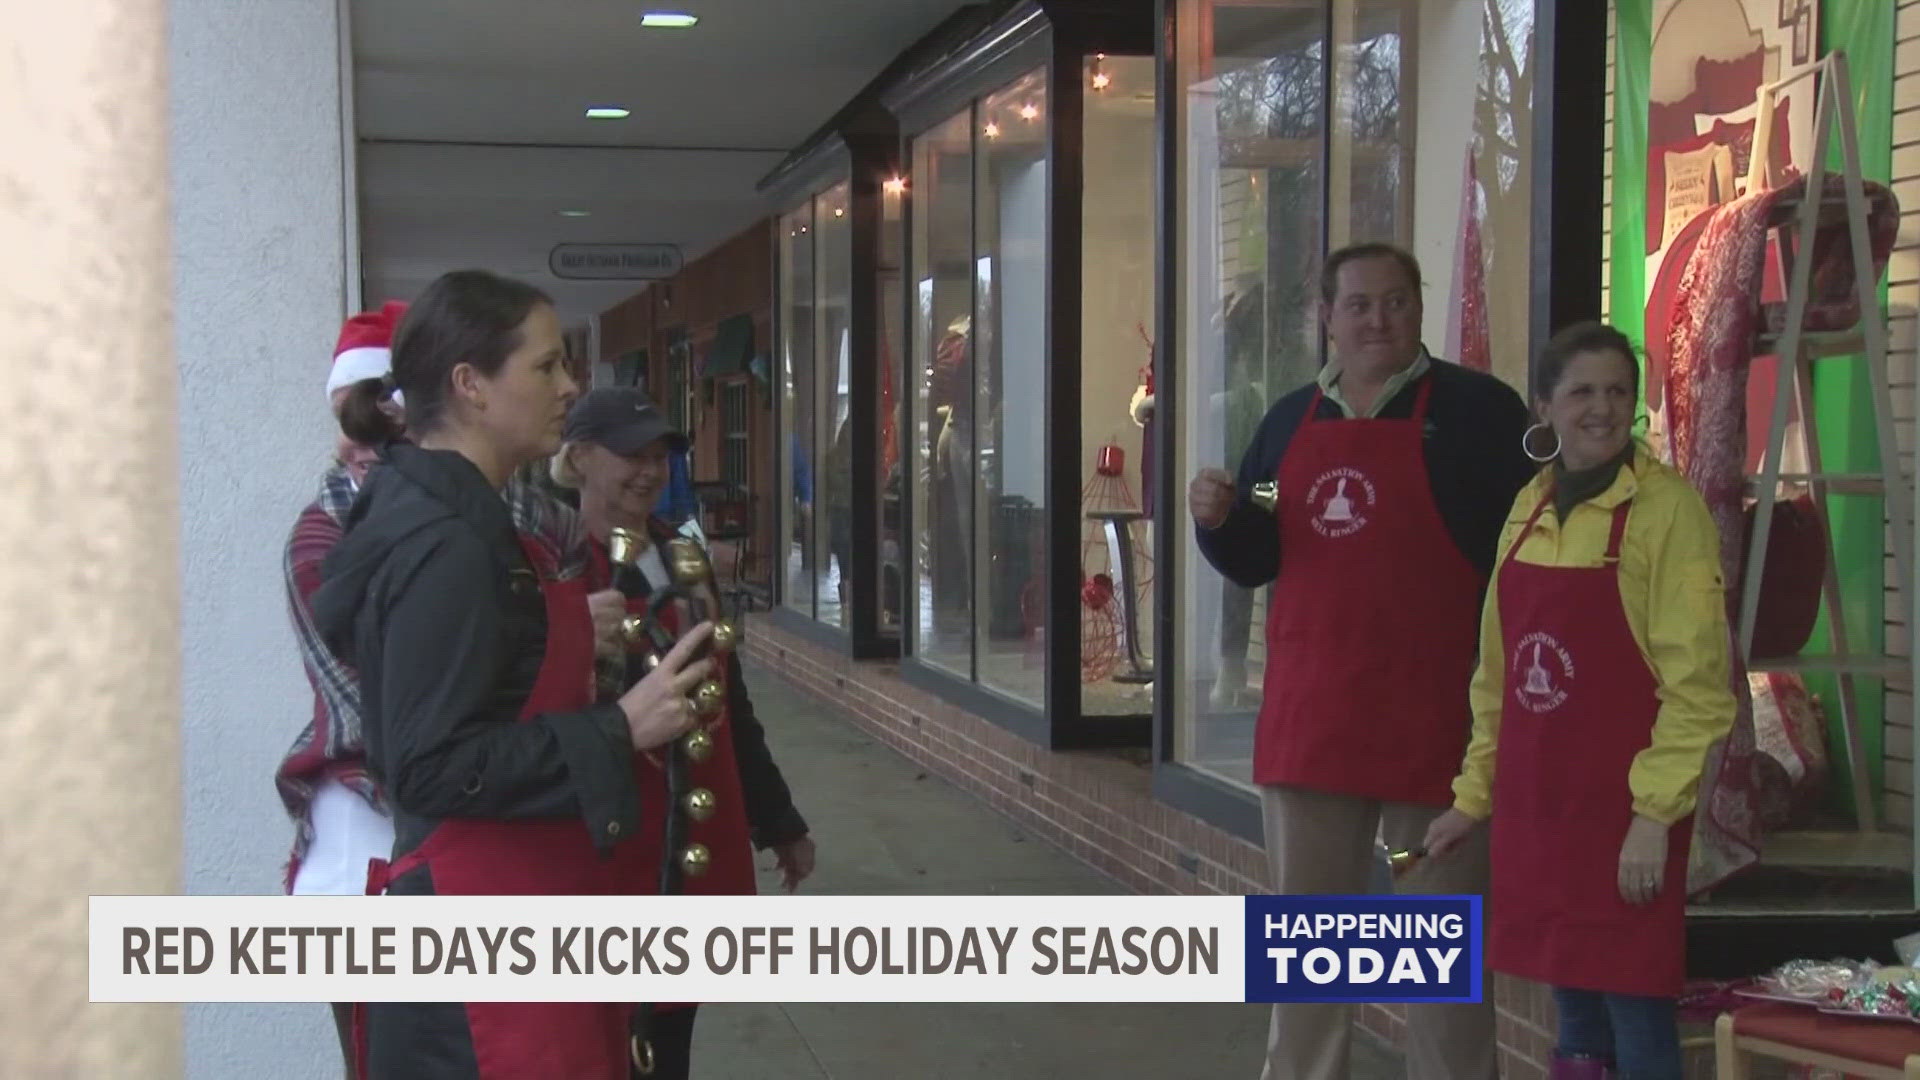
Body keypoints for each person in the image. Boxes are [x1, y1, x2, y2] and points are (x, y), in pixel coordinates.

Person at [310, 269, 714, 1080]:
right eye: (546, 367)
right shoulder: (447, 541)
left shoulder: (447, 513)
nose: (569, 386)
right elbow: (429, 767)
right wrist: (621, 726)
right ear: (471, 387)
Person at [1188, 242, 1535, 1080]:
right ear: (1327, 317)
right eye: (1359, 305)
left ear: (1419, 309)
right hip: (1318, 731)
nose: (1377, 319)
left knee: (1436, 956)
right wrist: (1221, 519)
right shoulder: (1283, 425)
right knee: (1316, 947)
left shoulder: (1483, 415)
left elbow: (1532, 552)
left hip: (1437, 736)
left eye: (1395, 302)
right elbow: (1262, 542)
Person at [1424, 322, 1734, 1080]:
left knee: (1635, 1005)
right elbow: (1496, 678)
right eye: (1582, 392)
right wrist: (1472, 798)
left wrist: (1652, 820)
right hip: (1540, 812)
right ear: (1545, 408)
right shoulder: (1528, 508)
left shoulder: (1667, 513)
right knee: (1576, 1011)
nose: (1602, 408)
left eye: (1618, 392)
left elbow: (1697, 687)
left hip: (1624, 818)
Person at [549, 386, 815, 1079]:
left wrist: (777, 818)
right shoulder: (548, 564)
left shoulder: (685, 558)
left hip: (691, 841)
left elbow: (730, 696)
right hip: (605, 849)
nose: (649, 470)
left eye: (661, 455)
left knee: (668, 1042)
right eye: (630, 454)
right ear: (577, 457)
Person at [275, 301, 407, 1078]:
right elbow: (397, 717)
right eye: (347, 418)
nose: (356, 441)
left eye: (375, 416)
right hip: (371, 851)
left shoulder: (490, 514)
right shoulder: (321, 539)